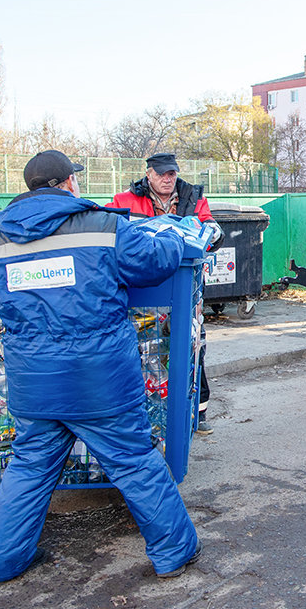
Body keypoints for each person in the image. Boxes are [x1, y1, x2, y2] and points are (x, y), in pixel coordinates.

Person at [0, 150, 202, 586]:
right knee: (134, 461)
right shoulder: (103, 225)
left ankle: (0, 563)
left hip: (34, 382)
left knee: (29, 467)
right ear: (66, 185)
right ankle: (175, 552)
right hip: (99, 379)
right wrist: (177, 238)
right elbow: (153, 261)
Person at [111, 153, 222, 435]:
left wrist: (212, 232)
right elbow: (109, 227)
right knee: (146, 347)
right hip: (144, 287)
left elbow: (211, 229)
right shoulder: (125, 201)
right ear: (148, 174)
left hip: (186, 285)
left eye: (171, 173)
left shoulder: (193, 198)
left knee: (192, 344)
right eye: (161, 173)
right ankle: (149, 412)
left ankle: (198, 412)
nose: (167, 179)